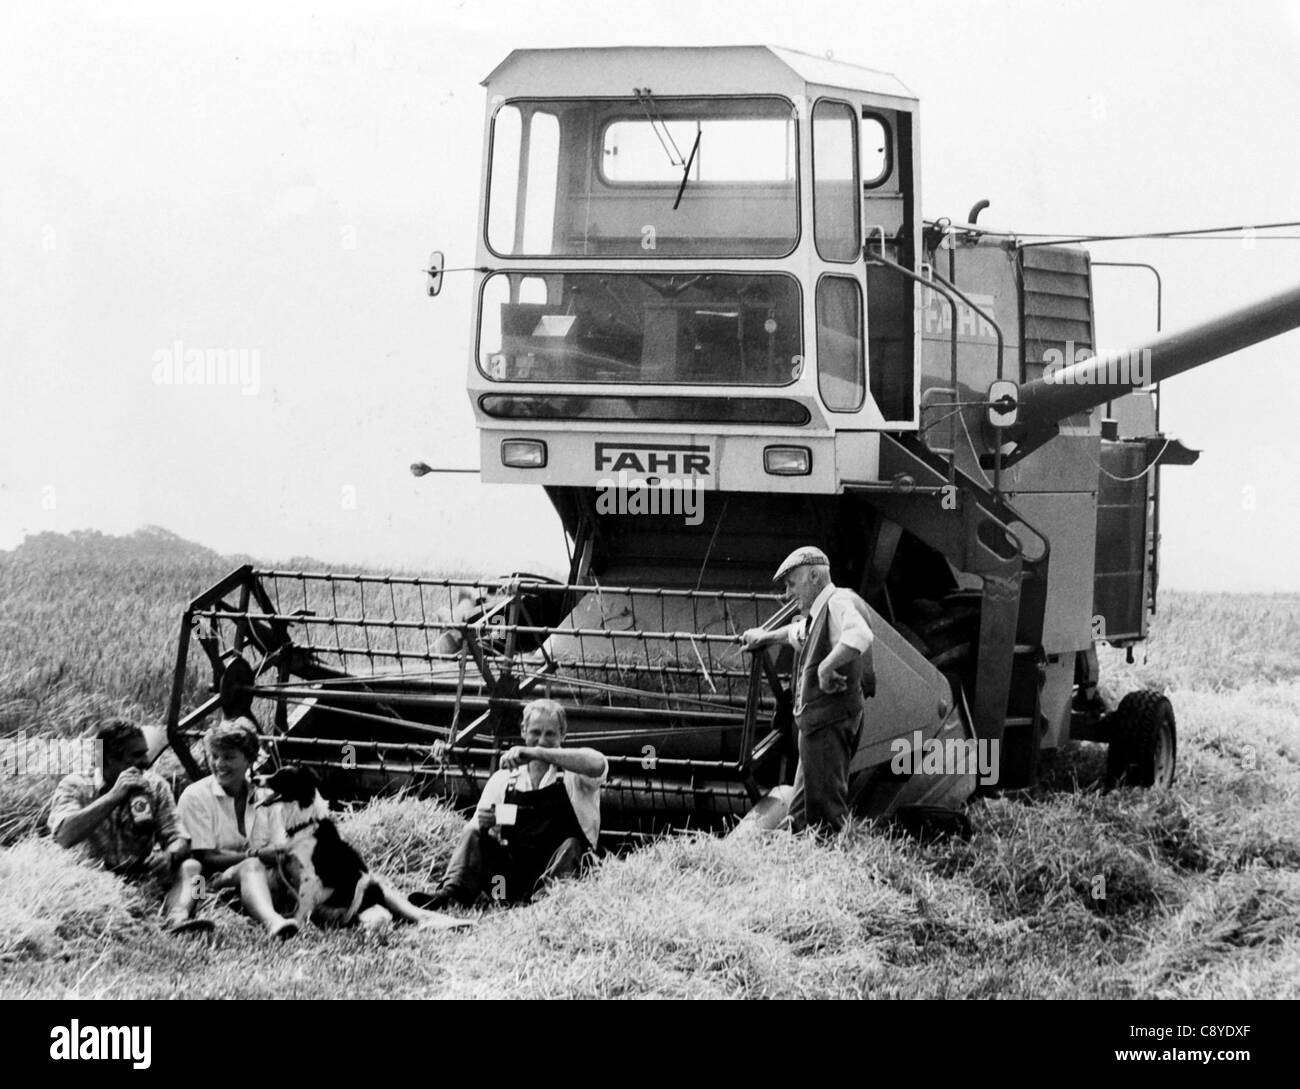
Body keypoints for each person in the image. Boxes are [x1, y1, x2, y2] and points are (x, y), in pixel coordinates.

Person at [412, 699, 607, 909]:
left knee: (572, 845)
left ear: (563, 735)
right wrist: (488, 822)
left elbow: (598, 763)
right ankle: (451, 896)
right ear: (523, 731)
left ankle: (545, 906)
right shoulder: (504, 780)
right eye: (535, 732)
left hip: (566, 879)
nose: (541, 740)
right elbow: (496, 825)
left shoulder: (576, 776)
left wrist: (537, 752)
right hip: (509, 886)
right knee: (473, 831)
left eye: (550, 734)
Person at [741, 546, 874, 834]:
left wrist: (826, 668)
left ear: (814, 576)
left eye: (791, 584)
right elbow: (798, 634)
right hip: (815, 726)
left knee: (827, 808)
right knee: (802, 806)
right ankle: (801, 852)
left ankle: (830, 865)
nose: (787, 594)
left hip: (828, 724)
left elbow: (860, 635)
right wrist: (765, 636)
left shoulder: (838, 602)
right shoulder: (818, 614)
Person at [48, 718, 208, 934]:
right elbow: (64, 836)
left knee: (195, 872)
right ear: (107, 760)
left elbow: (179, 838)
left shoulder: (154, 784)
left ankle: (180, 918)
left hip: (140, 876)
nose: (146, 761)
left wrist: (169, 855)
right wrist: (114, 796)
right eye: (136, 756)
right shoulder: (75, 785)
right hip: (88, 880)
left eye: (145, 753)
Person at [175, 718, 299, 940]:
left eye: (229, 757)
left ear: (249, 759)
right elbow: (207, 858)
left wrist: (278, 854)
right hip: (207, 887)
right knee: (251, 865)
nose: (219, 764)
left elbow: (281, 846)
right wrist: (256, 854)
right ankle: (274, 922)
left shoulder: (266, 798)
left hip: (264, 880)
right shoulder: (196, 796)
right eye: (215, 756)